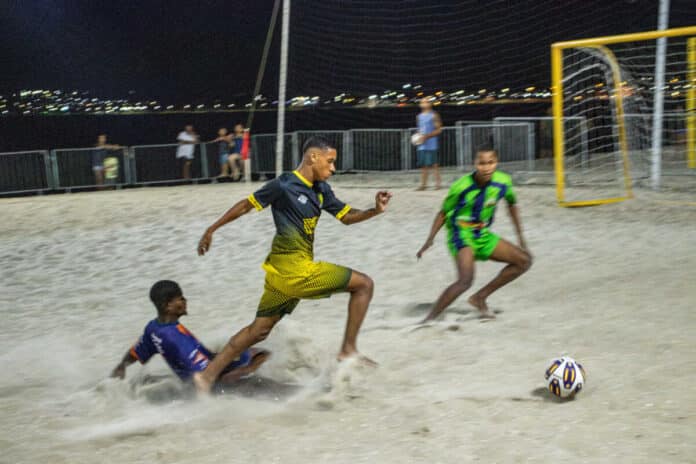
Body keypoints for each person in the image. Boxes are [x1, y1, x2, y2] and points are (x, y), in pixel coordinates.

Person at [195, 136, 392, 393]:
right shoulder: (284, 185)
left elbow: (346, 217)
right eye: (330, 162)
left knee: (259, 330)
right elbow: (246, 205)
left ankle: (207, 377)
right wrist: (212, 228)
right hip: (296, 272)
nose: (333, 168)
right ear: (313, 157)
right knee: (364, 284)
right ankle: (348, 350)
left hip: (279, 275)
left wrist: (374, 210)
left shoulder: (321, 190)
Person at [416, 147, 532, 321]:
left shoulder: (503, 182)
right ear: (475, 164)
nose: (486, 167)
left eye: (490, 162)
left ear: (496, 163)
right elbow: (442, 213)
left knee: (523, 261)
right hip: (460, 233)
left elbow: (512, 205)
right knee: (465, 280)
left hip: (482, 233)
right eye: (481, 163)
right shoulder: (461, 186)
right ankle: (429, 319)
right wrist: (429, 240)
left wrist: (521, 238)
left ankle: (479, 298)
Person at [111, 280, 269, 389]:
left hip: (199, 373)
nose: (185, 300)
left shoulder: (154, 328)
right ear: (168, 306)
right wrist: (247, 370)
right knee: (262, 359)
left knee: (255, 351)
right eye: (180, 298)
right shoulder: (175, 338)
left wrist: (121, 367)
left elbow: (135, 352)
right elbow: (206, 373)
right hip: (216, 383)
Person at [415, 99, 442, 190]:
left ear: (430, 104)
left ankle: (437, 184)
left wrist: (427, 136)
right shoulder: (419, 116)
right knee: (423, 165)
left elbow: (439, 130)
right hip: (422, 144)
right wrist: (418, 137)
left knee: (434, 165)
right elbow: (420, 129)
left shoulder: (434, 115)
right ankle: (423, 185)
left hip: (431, 144)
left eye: (426, 102)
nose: (423, 103)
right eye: (422, 102)